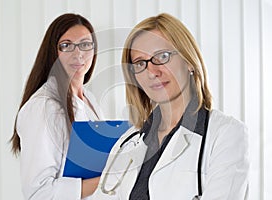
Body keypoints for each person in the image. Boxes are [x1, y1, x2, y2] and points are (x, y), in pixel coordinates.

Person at [93, 13, 249, 200]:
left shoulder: (226, 134)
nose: (152, 71)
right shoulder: (127, 142)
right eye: (140, 63)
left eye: (162, 56)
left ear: (189, 62)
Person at [10, 13, 104, 200]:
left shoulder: (89, 100)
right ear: (53, 52)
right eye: (66, 45)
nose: (78, 54)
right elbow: (38, 192)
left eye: (85, 45)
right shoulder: (43, 107)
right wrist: (104, 180)